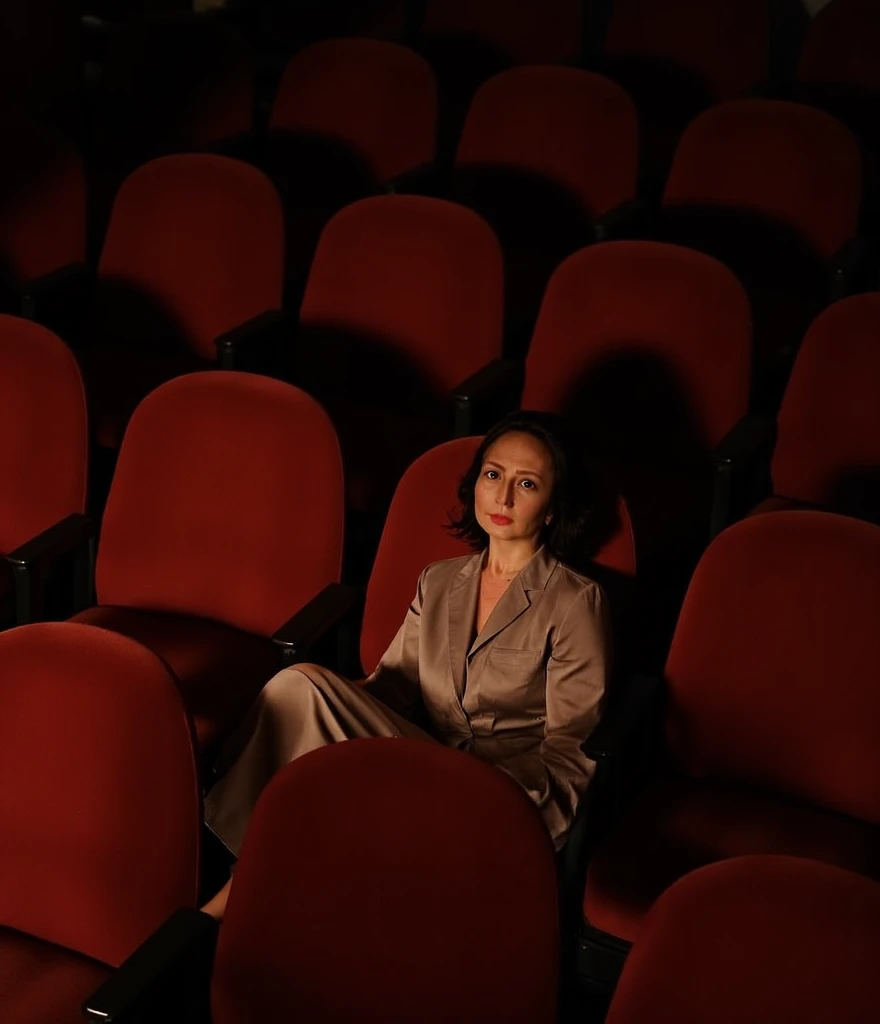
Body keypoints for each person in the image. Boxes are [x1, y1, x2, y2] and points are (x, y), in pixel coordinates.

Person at [202, 411, 611, 919]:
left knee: (313, 720)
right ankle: (252, 875)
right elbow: (391, 688)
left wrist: (507, 804)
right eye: (492, 475)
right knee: (298, 685)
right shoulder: (439, 581)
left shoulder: (575, 601)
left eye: (526, 484)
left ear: (552, 508)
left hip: (500, 791)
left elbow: (569, 752)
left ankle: (231, 903)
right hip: (421, 752)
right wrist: (334, 719)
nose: (503, 497)